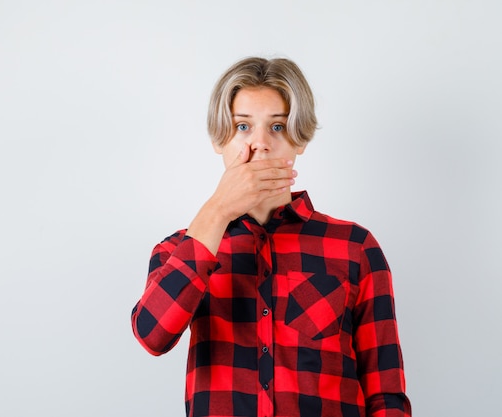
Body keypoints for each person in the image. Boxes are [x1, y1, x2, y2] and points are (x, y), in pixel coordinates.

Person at [131, 56, 411, 417]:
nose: (260, 144)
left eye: (277, 127)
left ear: (301, 140)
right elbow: (152, 335)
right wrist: (217, 209)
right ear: (220, 140)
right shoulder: (177, 250)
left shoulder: (355, 248)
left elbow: (385, 395)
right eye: (243, 127)